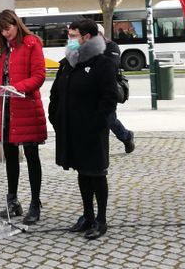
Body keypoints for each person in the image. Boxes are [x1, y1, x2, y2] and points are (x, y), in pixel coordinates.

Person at [48, 19, 119, 240]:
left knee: (96, 173)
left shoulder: (103, 63)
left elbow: (110, 98)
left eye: (73, 35)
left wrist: (98, 123)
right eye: (69, 35)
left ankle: (101, 220)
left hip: (93, 130)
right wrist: (56, 118)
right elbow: (56, 94)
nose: (70, 39)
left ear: (86, 37)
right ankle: (87, 215)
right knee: (82, 172)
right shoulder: (68, 63)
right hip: (71, 129)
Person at [0, 10, 47, 224]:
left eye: (7, 28)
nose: (5, 33)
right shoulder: (0, 49)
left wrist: (16, 88)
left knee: (31, 156)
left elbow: (39, 76)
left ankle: (35, 203)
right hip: (4, 109)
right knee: (10, 156)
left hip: (26, 107)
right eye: (1, 30)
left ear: (16, 24)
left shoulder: (31, 43)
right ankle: (12, 201)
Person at [97, 25, 135, 154]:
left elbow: (111, 66)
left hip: (108, 89)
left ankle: (126, 136)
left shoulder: (111, 46)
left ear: (100, 34)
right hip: (92, 89)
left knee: (109, 119)